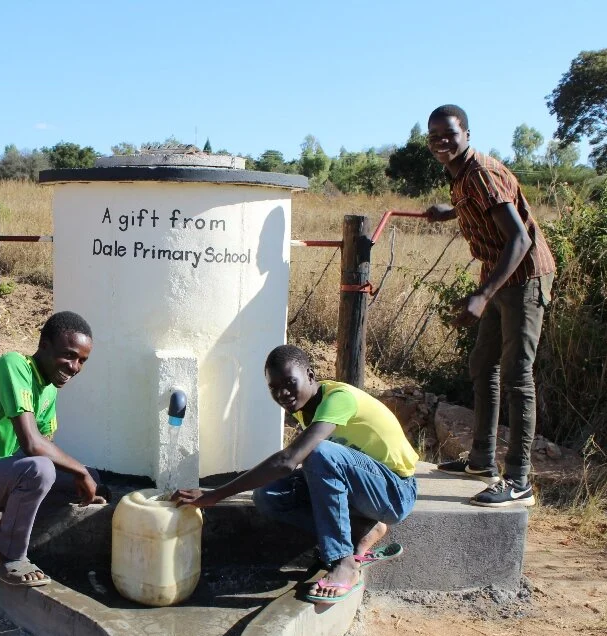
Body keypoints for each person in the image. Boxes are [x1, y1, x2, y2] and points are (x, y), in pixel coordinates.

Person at [173, 345, 417, 604]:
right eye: (274, 388)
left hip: (395, 491)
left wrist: (216, 495)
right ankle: (363, 528)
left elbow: (288, 460)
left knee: (319, 452)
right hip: (365, 489)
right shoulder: (305, 408)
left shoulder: (338, 398)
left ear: (310, 376)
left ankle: (344, 561)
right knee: (269, 496)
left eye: (290, 383)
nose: (282, 393)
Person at [425, 104, 556, 508]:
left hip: (523, 278)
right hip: (501, 278)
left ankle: (519, 480)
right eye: (435, 137)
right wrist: (452, 211)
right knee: (484, 366)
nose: (443, 142)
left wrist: (482, 295)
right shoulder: (463, 176)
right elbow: (486, 206)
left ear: (467, 134)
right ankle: (482, 461)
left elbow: (520, 240)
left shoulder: (480, 173)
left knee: (517, 377)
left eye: (450, 134)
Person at [0, 311, 106, 587]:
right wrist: (79, 472)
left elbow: (46, 443)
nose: (75, 367)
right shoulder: (14, 365)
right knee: (41, 469)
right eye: (68, 355)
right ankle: (6, 556)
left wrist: (82, 477)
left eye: (82, 361)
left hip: (1, 474)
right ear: (44, 345)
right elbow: (32, 443)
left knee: (88, 480)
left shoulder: (50, 388)